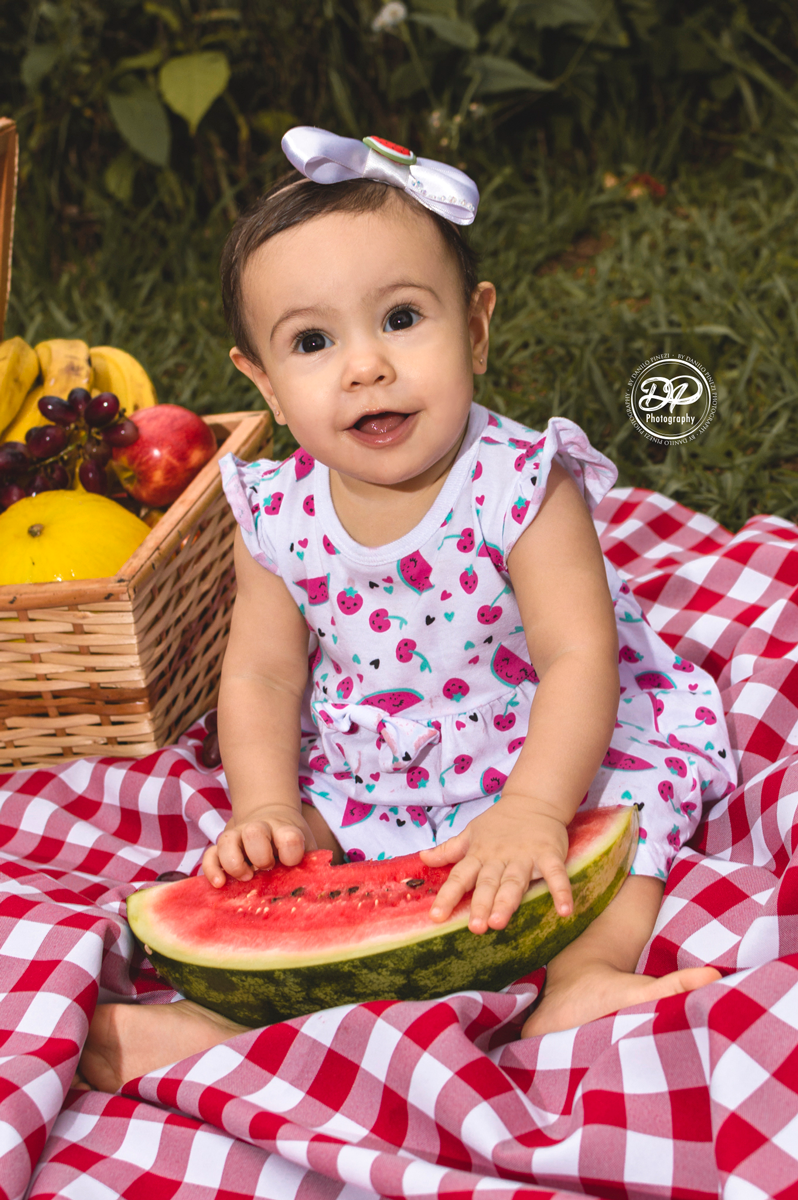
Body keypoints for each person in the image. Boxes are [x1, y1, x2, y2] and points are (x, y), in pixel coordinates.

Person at [79, 128, 735, 1091]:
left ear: (474, 327)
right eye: (312, 341)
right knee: (294, 887)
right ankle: (219, 1021)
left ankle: (583, 982)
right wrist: (267, 804)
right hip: (375, 765)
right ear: (259, 379)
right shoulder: (277, 510)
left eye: (400, 318)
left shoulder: (520, 482)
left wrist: (537, 808)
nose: (364, 368)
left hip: (549, 741)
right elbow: (262, 673)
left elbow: (580, 658)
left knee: (628, 821)